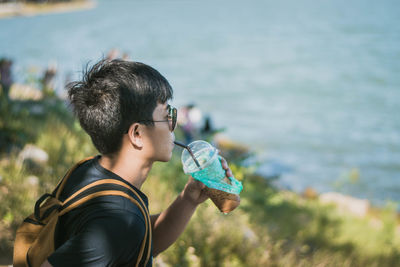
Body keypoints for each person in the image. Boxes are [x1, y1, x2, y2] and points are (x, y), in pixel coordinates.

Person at [41, 59, 233, 267]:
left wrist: (189, 199)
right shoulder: (117, 218)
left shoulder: (88, 170)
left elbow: (137, 244)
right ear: (137, 134)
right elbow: (118, 232)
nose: (172, 124)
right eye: (166, 114)